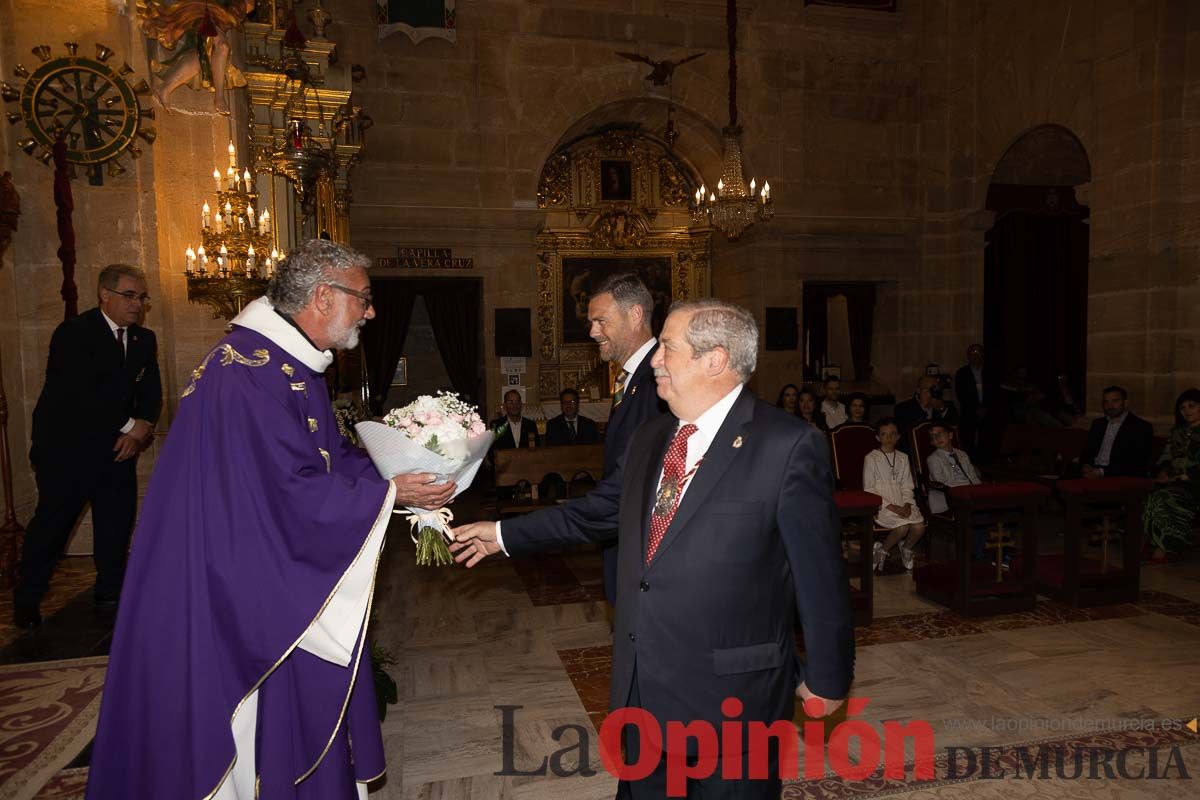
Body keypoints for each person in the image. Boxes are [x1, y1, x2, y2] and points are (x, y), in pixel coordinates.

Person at [85, 241, 456, 800]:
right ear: (324, 297)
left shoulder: (285, 366)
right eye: (365, 298)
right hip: (230, 590)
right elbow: (284, 497)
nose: (371, 311)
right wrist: (386, 494)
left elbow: (319, 462)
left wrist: (402, 473)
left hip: (257, 570)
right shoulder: (246, 377)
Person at [451, 299, 854, 798]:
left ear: (715, 359)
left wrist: (828, 676)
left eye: (667, 348)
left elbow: (820, 575)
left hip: (732, 697)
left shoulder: (787, 445)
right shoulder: (651, 436)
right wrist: (504, 535)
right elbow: (598, 512)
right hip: (644, 687)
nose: (655, 360)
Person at [14, 264, 162, 629]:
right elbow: (81, 395)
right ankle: (27, 600)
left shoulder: (145, 340)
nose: (137, 305)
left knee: (115, 524)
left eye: (142, 298)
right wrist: (131, 425)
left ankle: (110, 593)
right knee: (52, 527)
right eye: (129, 296)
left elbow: (150, 392)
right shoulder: (74, 333)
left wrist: (140, 431)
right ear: (105, 295)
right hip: (68, 451)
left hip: (118, 450)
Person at [1142, 388, 1200, 562]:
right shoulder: (1177, 432)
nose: (1187, 411)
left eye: (1192, 406)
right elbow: (1166, 457)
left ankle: (1165, 547)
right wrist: (1161, 471)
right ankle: (1152, 541)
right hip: (1173, 481)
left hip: (1194, 483)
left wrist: (1180, 477)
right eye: (1182, 408)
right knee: (1146, 495)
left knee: (1163, 498)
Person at [865, 418, 926, 572]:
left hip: (902, 501)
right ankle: (882, 550)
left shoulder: (903, 457)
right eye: (884, 434)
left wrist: (906, 504)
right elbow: (869, 489)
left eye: (893, 434)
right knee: (902, 528)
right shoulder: (871, 458)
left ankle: (906, 548)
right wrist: (894, 508)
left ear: (898, 437)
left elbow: (907, 485)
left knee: (919, 527)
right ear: (878, 437)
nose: (889, 438)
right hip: (882, 503)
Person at [1079, 386, 1154, 478]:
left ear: (1125, 403)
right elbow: (1087, 451)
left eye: (1115, 401)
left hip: (1118, 476)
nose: (1109, 406)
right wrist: (1085, 465)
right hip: (1093, 470)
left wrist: (1101, 472)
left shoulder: (1140, 427)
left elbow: (1137, 463)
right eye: (1106, 402)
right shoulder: (1098, 424)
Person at [955, 343, 990, 457]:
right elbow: (960, 394)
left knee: (986, 441)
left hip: (988, 412)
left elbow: (994, 393)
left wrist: (985, 407)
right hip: (969, 412)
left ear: (983, 354)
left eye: (978, 352)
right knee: (969, 442)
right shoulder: (962, 373)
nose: (975, 355)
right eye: (972, 352)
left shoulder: (991, 371)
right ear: (968, 355)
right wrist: (976, 408)